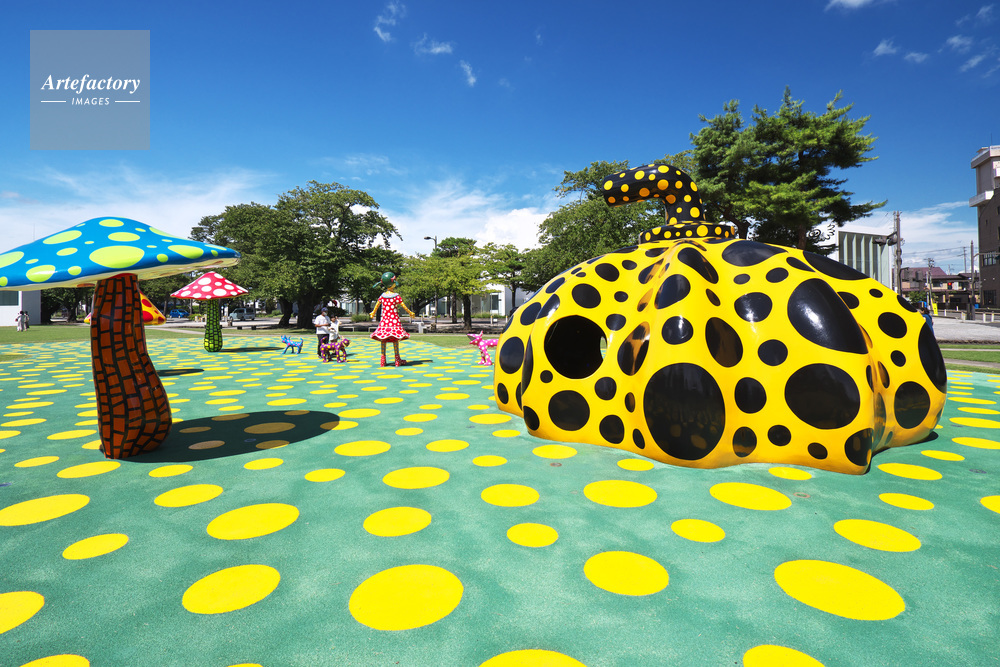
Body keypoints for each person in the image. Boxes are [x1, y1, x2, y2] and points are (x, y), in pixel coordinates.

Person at [369, 271, 415, 367]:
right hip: (394, 322)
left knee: (383, 339)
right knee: (395, 339)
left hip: (384, 322)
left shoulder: (382, 296)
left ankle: (383, 360)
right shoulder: (396, 296)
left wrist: (373, 313)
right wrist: (410, 313)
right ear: (392, 283)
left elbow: (376, 306)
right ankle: (397, 360)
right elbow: (404, 306)